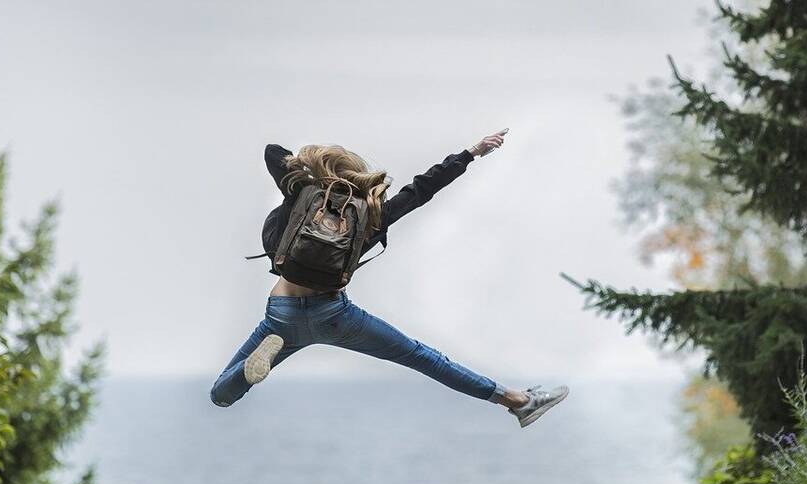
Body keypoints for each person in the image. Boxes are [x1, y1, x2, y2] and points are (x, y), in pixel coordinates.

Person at [210, 129, 569, 428]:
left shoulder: (300, 195)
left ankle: (247, 372)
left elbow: (273, 151)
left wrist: (312, 174)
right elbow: (421, 190)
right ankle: (518, 401)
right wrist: (470, 153)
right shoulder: (370, 214)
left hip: (282, 315)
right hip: (334, 317)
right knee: (424, 357)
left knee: (221, 395)